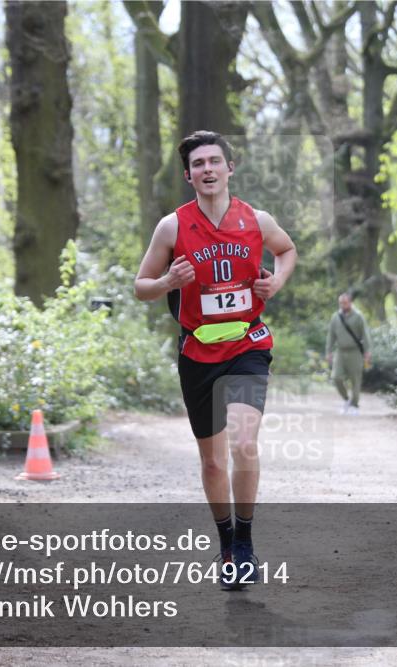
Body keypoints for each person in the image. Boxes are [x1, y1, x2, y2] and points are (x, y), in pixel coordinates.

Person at [134, 130, 297, 590]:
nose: (208, 169)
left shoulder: (257, 220)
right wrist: (168, 280)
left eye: (215, 161)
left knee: (244, 444)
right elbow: (140, 286)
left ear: (230, 168)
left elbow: (286, 250)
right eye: (199, 164)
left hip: (248, 345)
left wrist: (277, 282)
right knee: (212, 463)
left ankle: (245, 542)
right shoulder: (172, 227)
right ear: (189, 175)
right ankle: (226, 541)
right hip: (198, 353)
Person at [325, 292, 372, 415]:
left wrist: (367, 352)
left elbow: (365, 335)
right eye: (340, 303)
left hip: (355, 352)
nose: (342, 305)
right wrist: (328, 351)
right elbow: (331, 335)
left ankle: (355, 405)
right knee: (336, 377)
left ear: (350, 302)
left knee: (355, 380)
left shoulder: (358, 316)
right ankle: (347, 399)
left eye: (345, 302)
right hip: (340, 351)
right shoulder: (335, 317)